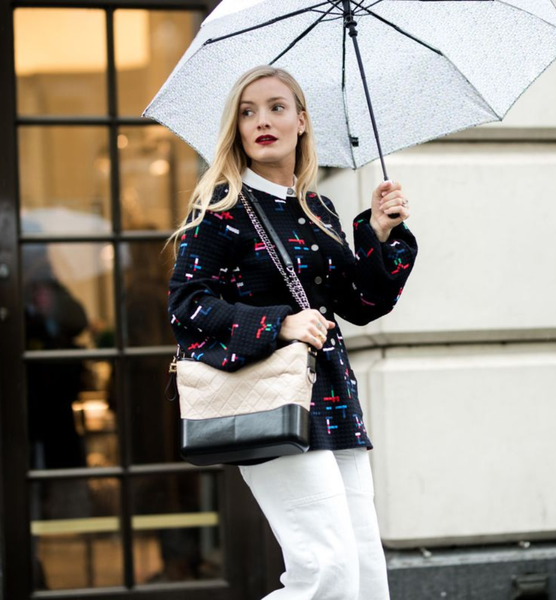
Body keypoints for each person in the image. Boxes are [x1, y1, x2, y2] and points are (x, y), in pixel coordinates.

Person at [166, 65, 418, 599]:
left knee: (365, 574)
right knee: (326, 572)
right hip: (270, 399)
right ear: (236, 128)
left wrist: (378, 232)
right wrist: (278, 323)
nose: (262, 121)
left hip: (332, 400)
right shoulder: (221, 210)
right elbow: (187, 306)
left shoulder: (316, 209)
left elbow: (361, 304)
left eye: (276, 107)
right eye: (248, 112)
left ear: (302, 121)